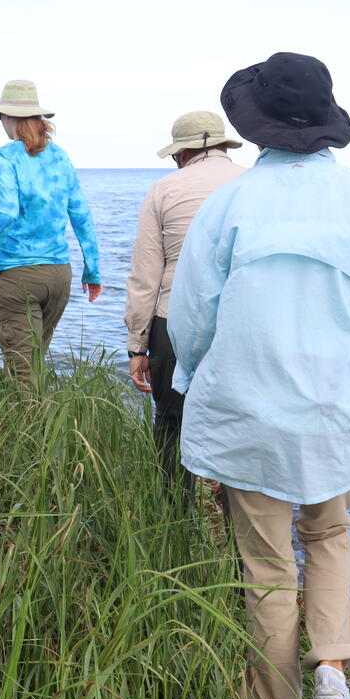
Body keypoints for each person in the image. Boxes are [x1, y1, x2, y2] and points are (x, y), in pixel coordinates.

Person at [168, 52, 350, 699]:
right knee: (331, 534)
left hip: (249, 413)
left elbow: (192, 317)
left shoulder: (229, 204)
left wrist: (192, 384)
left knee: (267, 570)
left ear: (259, 127)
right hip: (339, 411)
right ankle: (333, 674)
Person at [124, 110, 245, 494]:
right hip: (242, 322)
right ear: (225, 146)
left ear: (181, 154)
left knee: (172, 423)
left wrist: (137, 346)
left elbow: (146, 275)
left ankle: (173, 521)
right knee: (238, 429)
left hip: (173, 320)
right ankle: (238, 533)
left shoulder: (164, 189)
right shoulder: (252, 183)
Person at [0, 80, 102, 383]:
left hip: (19, 275)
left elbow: (5, 215)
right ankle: (39, 426)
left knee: (22, 376)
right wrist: (92, 270)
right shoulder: (60, 156)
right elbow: (81, 214)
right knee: (34, 364)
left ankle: (28, 428)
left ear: (9, 118)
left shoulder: (4, 157)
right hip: (60, 275)